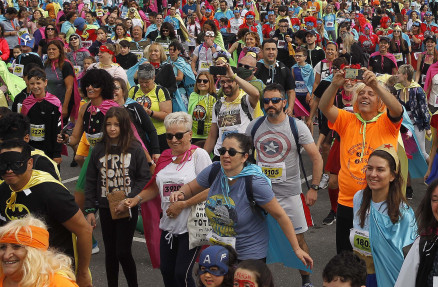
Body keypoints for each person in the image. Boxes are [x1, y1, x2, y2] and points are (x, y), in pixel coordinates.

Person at [171, 133, 313, 266]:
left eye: (232, 152)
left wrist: (296, 248)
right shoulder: (214, 171)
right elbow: (190, 187)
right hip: (220, 251)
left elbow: (280, 216)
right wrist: (180, 194)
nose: (226, 155)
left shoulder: (255, 183)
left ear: (244, 157)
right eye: (222, 151)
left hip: (249, 255)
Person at [318, 67, 404, 253]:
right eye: (361, 93)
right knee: (346, 257)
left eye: (371, 94)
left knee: (377, 256)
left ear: (380, 101)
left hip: (380, 202)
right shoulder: (347, 119)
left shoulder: (387, 122)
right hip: (347, 202)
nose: (365, 96)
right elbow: (324, 107)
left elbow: (397, 109)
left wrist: (376, 85)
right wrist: (334, 85)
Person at [247, 83, 323, 287]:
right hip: (260, 195)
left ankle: (306, 280)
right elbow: (244, 157)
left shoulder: (296, 127)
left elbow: (316, 158)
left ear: (283, 102)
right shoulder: (254, 126)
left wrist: (314, 188)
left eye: (274, 101)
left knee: (298, 240)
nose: (270, 105)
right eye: (266, 101)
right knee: (259, 243)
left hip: (289, 194)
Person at [0, 140, 92, 287]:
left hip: (52, 273)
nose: (9, 170)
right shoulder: (4, 191)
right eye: (3, 164)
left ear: (30, 163)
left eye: (16, 163)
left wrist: (82, 273)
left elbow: (84, 230)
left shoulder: (51, 192)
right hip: (21, 274)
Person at [128, 112, 210, 287]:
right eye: (169, 135)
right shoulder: (165, 157)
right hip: (168, 226)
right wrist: (137, 199)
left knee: (182, 274)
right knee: (167, 271)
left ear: (189, 134)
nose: (174, 140)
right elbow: (154, 187)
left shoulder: (199, 155)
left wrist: (184, 204)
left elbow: (212, 188)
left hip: (191, 226)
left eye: (179, 135)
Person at [84, 107, 151, 287]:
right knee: (111, 253)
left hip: (128, 207)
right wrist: (90, 210)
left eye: (116, 125)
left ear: (124, 126)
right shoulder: (99, 149)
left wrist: (130, 198)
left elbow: (145, 177)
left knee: (123, 251)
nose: (112, 128)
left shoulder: (135, 148)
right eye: (108, 124)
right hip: (106, 207)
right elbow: (90, 180)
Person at [351, 145, 417, 287]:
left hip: (389, 280)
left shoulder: (403, 213)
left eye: (380, 169)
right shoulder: (359, 199)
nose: (373, 174)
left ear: (393, 175)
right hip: (360, 276)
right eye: (369, 168)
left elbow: (410, 258)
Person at [0, 216, 79, 287]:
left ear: (34, 252)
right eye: (3, 247)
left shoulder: (58, 284)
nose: (6, 255)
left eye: (17, 247)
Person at [204, 69, 260, 156]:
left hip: (241, 155)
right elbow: (212, 135)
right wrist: (204, 157)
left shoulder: (246, 100)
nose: (225, 85)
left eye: (229, 81)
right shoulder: (218, 105)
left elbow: (256, 94)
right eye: (222, 82)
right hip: (221, 154)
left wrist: (233, 76)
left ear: (237, 82)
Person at [130, 63, 173, 149]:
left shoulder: (161, 91)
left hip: (158, 134)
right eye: (141, 82)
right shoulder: (133, 90)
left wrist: (150, 113)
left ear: (153, 78)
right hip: (139, 134)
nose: (144, 85)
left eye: (147, 82)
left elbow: (167, 115)